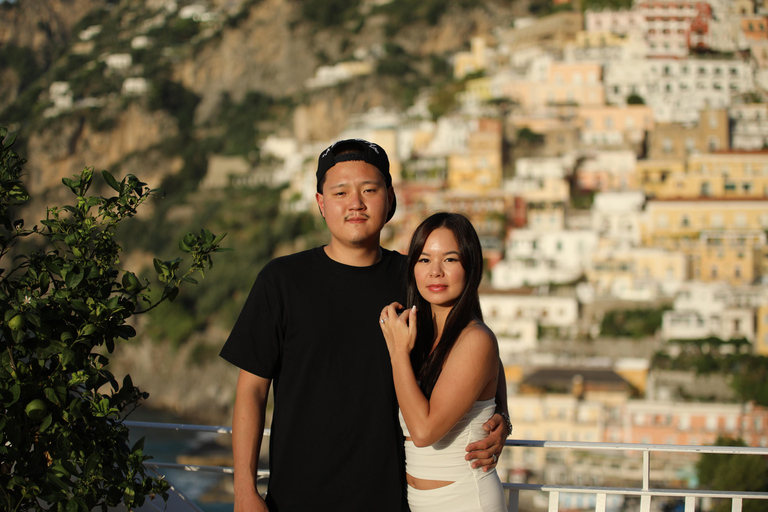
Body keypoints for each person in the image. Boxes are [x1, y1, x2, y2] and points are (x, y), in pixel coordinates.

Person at [220, 139, 511, 511]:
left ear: (390, 198)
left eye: (369, 190)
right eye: (340, 192)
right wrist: (245, 490)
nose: (355, 203)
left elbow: (475, 345)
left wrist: (501, 416)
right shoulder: (282, 280)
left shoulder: (416, 280)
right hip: (296, 497)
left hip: (389, 499)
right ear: (321, 203)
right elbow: (251, 392)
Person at [379, 212, 507, 512]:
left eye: (450, 259)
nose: (435, 272)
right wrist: (503, 412)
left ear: (471, 266)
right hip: (419, 502)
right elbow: (491, 372)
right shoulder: (417, 331)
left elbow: (423, 432)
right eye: (424, 260)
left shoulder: (475, 338)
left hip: (465, 500)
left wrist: (398, 352)